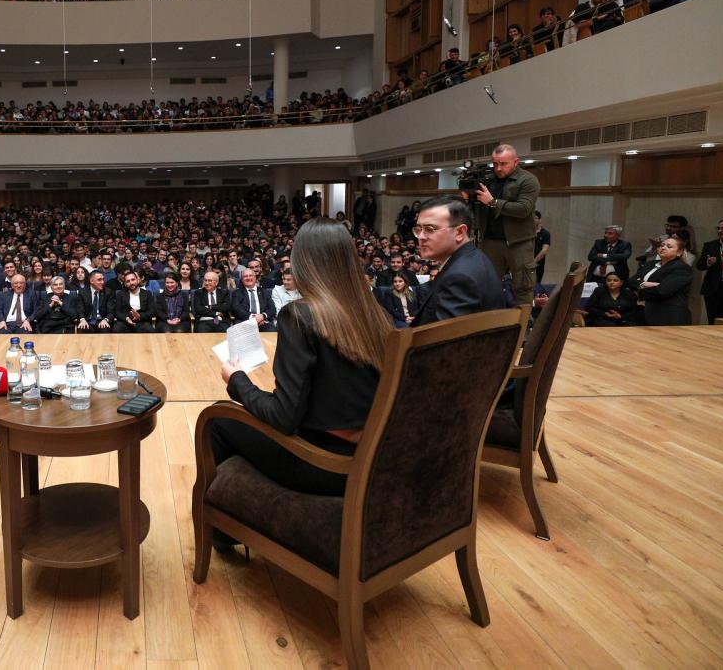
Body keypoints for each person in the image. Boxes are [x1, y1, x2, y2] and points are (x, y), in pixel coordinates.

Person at [209, 218, 392, 551]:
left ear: (305, 263)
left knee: (217, 422)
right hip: (375, 456)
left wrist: (237, 381)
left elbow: (283, 417)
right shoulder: (376, 313)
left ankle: (225, 528)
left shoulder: (300, 315)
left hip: (324, 463)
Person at [411, 196, 506, 326]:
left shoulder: (459, 277)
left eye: (429, 229)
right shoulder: (474, 258)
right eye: (419, 229)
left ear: (460, 232)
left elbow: (445, 341)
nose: (421, 236)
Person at [471, 144, 540, 306]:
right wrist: (469, 198)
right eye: (495, 164)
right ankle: (490, 325)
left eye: (503, 164)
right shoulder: (486, 180)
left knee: (523, 287)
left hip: (519, 242)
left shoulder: (528, 180)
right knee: (486, 286)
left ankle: (523, 327)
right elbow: (475, 211)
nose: (498, 168)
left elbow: (523, 209)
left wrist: (493, 202)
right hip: (490, 241)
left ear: (516, 162)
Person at [632, 236, 693, 325]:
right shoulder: (650, 264)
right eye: (662, 245)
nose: (663, 247)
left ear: (679, 252)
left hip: (669, 316)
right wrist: (644, 284)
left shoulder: (682, 268)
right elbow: (631, 281)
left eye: (669, 246)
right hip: (648, 312)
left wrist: (639, 291)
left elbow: (662, 291)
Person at [228, 268, 277, 332]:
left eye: (251, 275)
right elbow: (236, 308)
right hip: (244, 322)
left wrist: (262, 316)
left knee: (272, 331)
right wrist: (252, 317)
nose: (248, 278)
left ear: (255, 278)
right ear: (242, 279)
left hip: (263, 322)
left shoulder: (264, 292)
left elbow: (272, 309)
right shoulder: (237, 293)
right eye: (245, 276)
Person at [111, 269, 157, 333]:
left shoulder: (147, 293)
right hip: (125, 322)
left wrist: (140, 316)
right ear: (125, 284)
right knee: (116, 329)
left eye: (133, 280)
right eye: (128, 281)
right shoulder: (120, 294)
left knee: (150, 331)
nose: (131, 283)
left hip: (142, 322)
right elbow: (117, 312)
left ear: (137, 280)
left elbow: (152, 311)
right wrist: (126, 318)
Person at [532, 212, 550, 283]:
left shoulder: (545, 233)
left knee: (536, 285)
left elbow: (544, 250)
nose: (533, 220)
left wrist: (533, 262)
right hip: (525, 263)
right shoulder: (528, 232)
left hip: (538, 265)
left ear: (540, 220)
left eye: (535, 218)